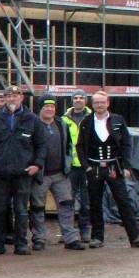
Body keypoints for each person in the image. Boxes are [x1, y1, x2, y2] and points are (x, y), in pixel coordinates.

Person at [77, 92, 139, 249]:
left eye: (102, 102)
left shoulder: (118, 120)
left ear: (108, 103)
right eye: (96, 102)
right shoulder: (86, 122)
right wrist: (87, 167)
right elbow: (80, 147)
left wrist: (126, 166)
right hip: (94, 168)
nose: (99, 105)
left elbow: (126, 144)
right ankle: (97, 237)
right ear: (92, 104)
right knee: (95, 203)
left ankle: (135, 236)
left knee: (123, 201)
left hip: (114, 167)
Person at [0, 86, 45, 256]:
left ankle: (21, 243)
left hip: (23, 173)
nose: (12, 99)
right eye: (8, 96)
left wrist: (37, 165)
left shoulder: (32, 119)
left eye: (15, 96)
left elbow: (41, 145)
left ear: (22, 98)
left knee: (20, 210)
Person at [32, 98, 84, 251]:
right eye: (46, 106)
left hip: (60, 174)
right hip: (40, 176)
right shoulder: (34, 125)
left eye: (52, 106)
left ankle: (71, 238)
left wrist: (67, 164)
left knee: (67, 205)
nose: (50, 109)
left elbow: (69, 146)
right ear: (40, 108)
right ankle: (39, 238)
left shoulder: (61, 124)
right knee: (37, 208)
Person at [61, 91, 92, 243]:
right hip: (71, 166)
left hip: (87, 166)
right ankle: (68, 231)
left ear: (86, 100)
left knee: (86, 201)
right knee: (68, 200)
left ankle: (85, 230)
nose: (78, 100)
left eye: (81, 98)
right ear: (71, 100)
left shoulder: (93, 118)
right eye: (75, 98)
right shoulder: (63, 120)